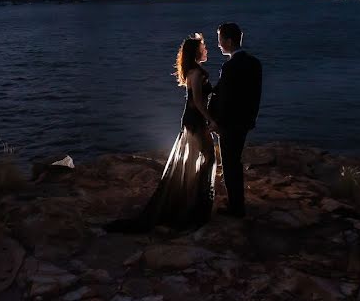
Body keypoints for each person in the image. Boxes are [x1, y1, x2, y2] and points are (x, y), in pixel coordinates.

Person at [106, 33, 218, 232]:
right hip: (196, 120)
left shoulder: (192, 71)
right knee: (208, 158)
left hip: (190, 119)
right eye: (204, 48)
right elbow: (198, 103)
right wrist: (212, 119)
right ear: (196, 52)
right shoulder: (199, 74)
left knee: (196, 159)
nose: (206, 50)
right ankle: (196, 204)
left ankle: (190, 199)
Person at [209, 22, 263, 218]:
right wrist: (251, 119)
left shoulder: (230, 66)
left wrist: (216, 121)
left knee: (230, 164)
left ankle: (236, 208)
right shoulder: (255, 63)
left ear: (229, 41)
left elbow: (226, 98)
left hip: (229, 124)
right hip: (245, 121)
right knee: (235, 162)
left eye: (220, 40)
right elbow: (255, 95)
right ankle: (237, 204)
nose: (219, 45)